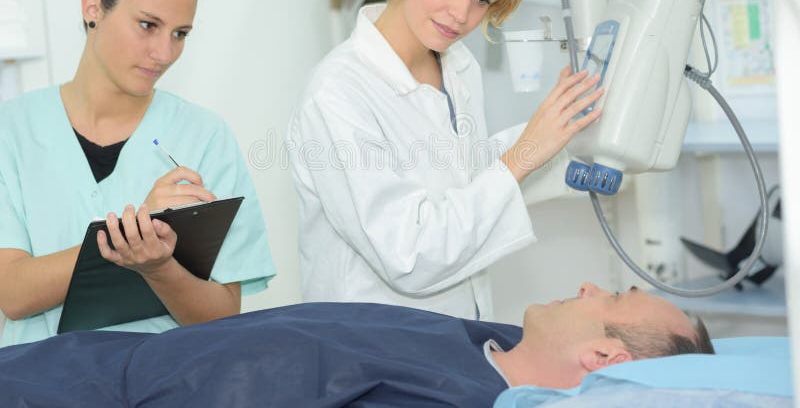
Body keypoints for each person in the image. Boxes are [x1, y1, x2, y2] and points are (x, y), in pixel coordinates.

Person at [288, 0, 603, 319]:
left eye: (482, 0)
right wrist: (527, 152)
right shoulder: (338, 93)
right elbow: (409, 255)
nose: (462, 15)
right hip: (373, 346)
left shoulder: (458, 67)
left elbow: (464, 179)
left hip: (454, 331)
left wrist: (562, 137)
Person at [0, 0, 275, 346]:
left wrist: (158, 265)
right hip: (41, 383)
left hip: (165, 382)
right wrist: (128, 234)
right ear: (93, 8)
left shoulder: (205, 137)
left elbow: (222, 316)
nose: (164, 53)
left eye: (180, 34)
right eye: (148, 25)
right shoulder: (12, 131)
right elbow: (10, 292)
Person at [0, 282, 713, 407]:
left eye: (610, 300)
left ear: (605, 359)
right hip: (75, 361)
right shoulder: (484, 342)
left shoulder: (458, 397)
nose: (588, 287)